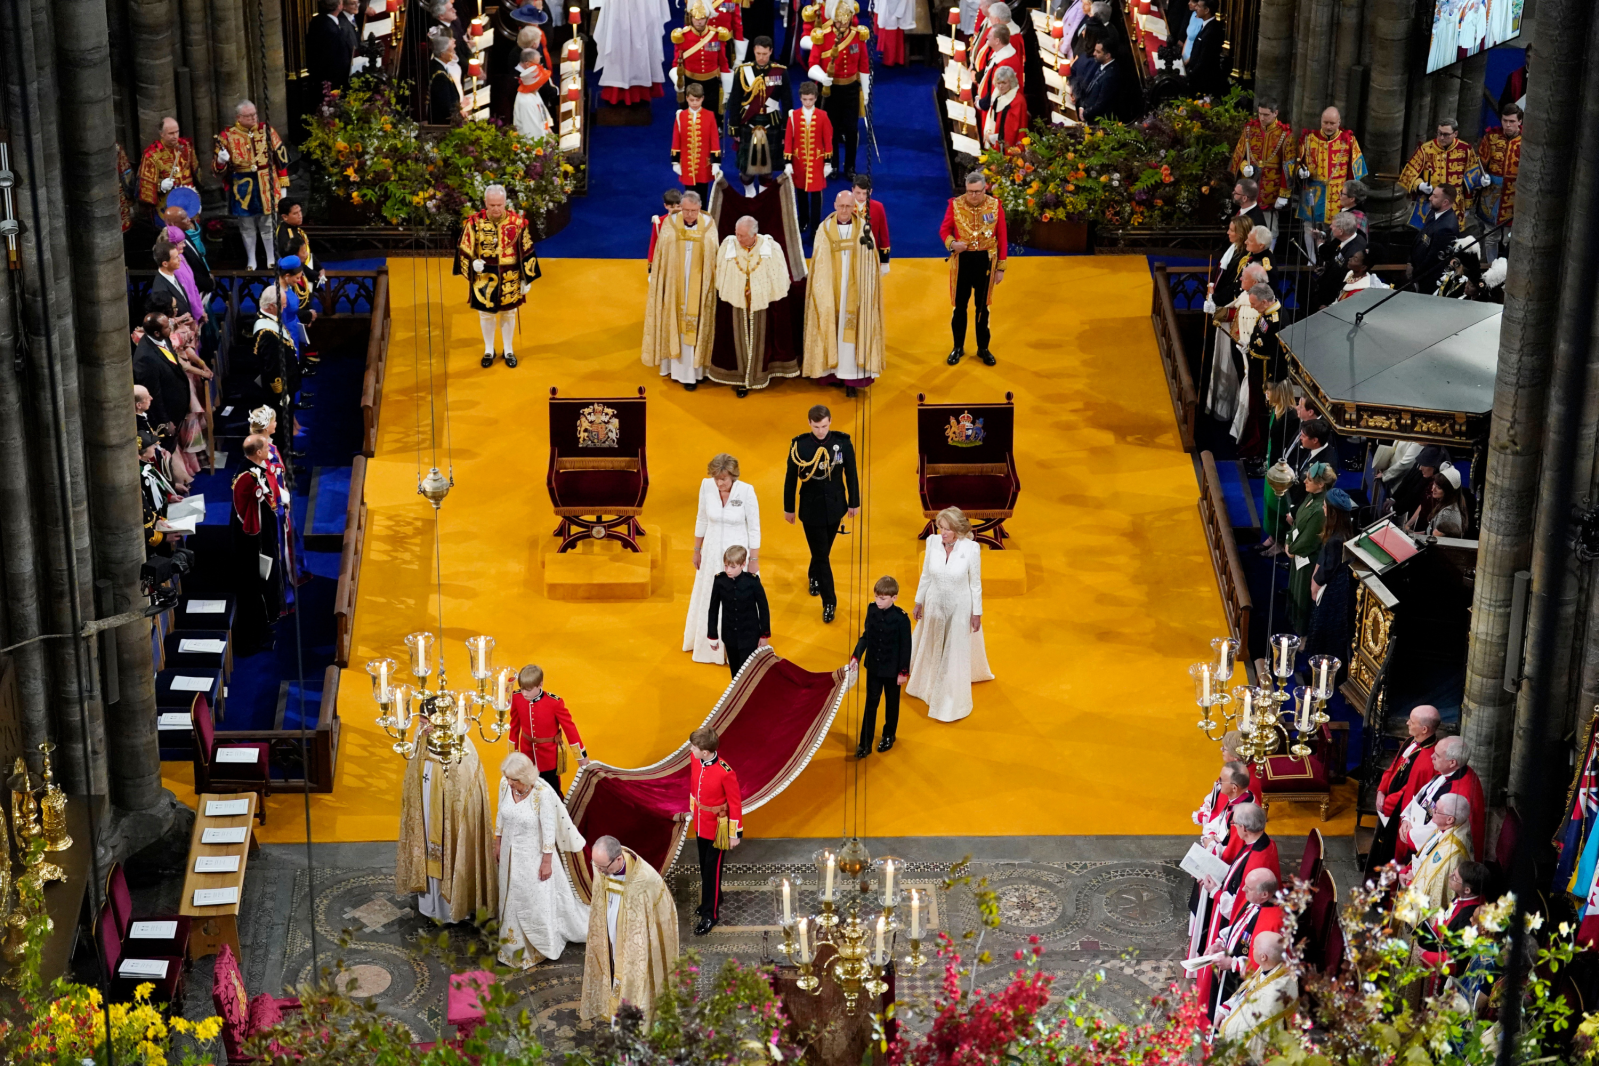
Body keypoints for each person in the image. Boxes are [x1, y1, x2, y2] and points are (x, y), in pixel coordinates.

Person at [494, 752, 588, 967]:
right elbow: (501, 814)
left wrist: (546, 861)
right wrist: (497, 842)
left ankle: (537, 946)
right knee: (511, 896)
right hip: (510, 853)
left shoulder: (542, 794)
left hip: (533, 856)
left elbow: (548, 830)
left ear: (526, 777)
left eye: (514, 779)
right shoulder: (504, 785)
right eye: (507, 777)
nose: (509, 783)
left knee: (531, 900)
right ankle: (512, 946)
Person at [396, 725, 497, 923]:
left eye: (426, 720)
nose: (423, 725)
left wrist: (451, 808)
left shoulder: (459, 741)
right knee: (427, 844)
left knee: (448, 848)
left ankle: (454, 906)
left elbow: (466, 781)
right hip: (426, 804)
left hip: (448, 811)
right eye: (422, 719)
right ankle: (429, 904)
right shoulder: (420, 734)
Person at [906, 506, 992, 724]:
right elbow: (925, 575)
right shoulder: (932, 543)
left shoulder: (971, 549)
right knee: (934, 645)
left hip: (960, 607)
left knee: (953, 649)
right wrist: (918, 601)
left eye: (947, 529)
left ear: (958, 530)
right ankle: (928, 685)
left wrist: (977, 613)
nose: (942, 533)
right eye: (940, 527)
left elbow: (975, 584)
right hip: (934, 604)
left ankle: (949, 695)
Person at [580, 835, 679, 1024]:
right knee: (611, 962)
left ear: (618, 859)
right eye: (597, 866)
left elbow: (664, 910)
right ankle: (611, 1005)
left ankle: (632, 1017)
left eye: (604, 868)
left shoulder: (644, 878)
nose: (600, 872)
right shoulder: (602, 866)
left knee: (631, 971)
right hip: (609, 925)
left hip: (635, 935)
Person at [802, 189, 885, 392]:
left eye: (849, 206)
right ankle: (831, 373)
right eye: (841, 206)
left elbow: (871, 258)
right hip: (831, 288)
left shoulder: (863, 228)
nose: (845, 210)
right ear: (835, 206)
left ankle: (851, 378)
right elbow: (819, 262)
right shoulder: (824, 229)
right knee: (830, 323)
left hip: (854, 291)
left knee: (851, 331)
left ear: (854, 206)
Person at [783, 404, 860, 623]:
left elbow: (851, 474)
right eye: (816, 427)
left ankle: (813, 574)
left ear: (830, 421)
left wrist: (854, 502)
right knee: (823, 557)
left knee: (822, 550)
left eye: (824, 426)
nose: (820, 431)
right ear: (809, 424)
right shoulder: (799, 446)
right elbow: (790, 478)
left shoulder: (842, 443)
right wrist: (789, 507)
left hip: (835, 506)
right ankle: (829, 602)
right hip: (811, 507)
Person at [456, 184, 542, 368]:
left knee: (509, 313)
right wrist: (472, 264)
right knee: (486, 315)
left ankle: (508, 349)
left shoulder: (517, 223)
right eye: (492, 205)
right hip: (484, 277)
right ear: (485, 203)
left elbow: (526, 249)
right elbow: (464, 248)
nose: (496, 209)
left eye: (499, 204)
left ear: (505, 203)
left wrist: (526, 279)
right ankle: (489, 349)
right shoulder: (474, 223)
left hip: (510, 275)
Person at [687, 453, 762, 662]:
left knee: (739, 597)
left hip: (737, 554)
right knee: (711, 597)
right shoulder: (706, 486)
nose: (719, 483)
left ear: (733, 476)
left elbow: (754, 528)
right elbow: (701, 518)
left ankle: (740, 647)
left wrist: (753, 560)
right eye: (716, 478)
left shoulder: (746, 491)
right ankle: (707, 643)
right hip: (711, 553)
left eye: (724, 479)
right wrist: (696, 549)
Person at [643, 189, 719, 390]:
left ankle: (698, 371)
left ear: (700, 208)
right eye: (685, 210)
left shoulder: (709, 226)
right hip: (675, 287)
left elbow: (713, 256)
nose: (689, 215)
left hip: (699, 288)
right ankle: (676, 370)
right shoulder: (670, 224)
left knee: (697, 326)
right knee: (675, 323)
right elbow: (662, 255)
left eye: (693, 211)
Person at [710, 216, 795, 396]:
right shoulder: (728, 245)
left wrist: (756, 291)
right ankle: (740, 378)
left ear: (754, 234)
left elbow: (780, 279)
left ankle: (760, 375)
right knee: (737, 342)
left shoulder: (771, 248)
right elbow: (721, 274)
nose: (738, 238)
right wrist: (739, 290)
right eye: (736, 233)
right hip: (736, 305)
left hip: (762, 307)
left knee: (761, 340)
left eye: (742, 235)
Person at [940, 170, 1007, 367]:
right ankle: (958, 347)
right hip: (962, 262)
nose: (973, 196)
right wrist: (953, 244)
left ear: (985, 188)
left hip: (986, 262)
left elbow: (1002, 237)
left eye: (977, 191)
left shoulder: (995, 206)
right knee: (959, 307)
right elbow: (944, 230)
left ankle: (983, 348)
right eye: (970, 191)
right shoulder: (955, 204)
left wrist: (1001, 268)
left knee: (983, 307)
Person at [213, 100, 290, 271]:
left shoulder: (267, 131)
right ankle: (251, 260)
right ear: (238, 117)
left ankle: (271, 258)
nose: (254, 118)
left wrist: (283, 184)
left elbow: (281, 158)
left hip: (266, 182)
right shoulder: (227, 136)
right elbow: (217, 170)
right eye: (249, 116)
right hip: (242, 185)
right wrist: (220, 160)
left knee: (268, 223)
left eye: (255, 114)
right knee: (246, 225)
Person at [1365, 704, 1441, 875]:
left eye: (1411, 721)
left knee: (1389, 855)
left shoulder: (1429, 760)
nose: (1407, 723)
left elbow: (1411, 792)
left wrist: (1387, 805)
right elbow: (1394, 767)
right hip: (1387, 804)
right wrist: (1381, 791)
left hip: (1398, 813)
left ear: (1424, 729)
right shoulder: (1411, 741)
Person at [1199, 868, 1283, 1022]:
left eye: (1248, 888)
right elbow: (1238, 927)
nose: (1243, 889)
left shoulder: (1272, 923)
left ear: (1264, 894)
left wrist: (1232, 963)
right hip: (1229, 967)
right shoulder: (1254, 901)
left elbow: (1264, 966)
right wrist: (1221, 942)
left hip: (1242, 984)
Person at [681, 727, 742, 934]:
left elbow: (735, 803)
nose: (691, 749)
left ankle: (711, 914)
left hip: (719, 828)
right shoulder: (695, 760)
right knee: (703, 867)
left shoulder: (726, 772)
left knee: (711, 872)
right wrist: (693, 810)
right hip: (701, 822)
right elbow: (693, 785)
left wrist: (735, 833)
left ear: (705, 752)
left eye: (694, 747)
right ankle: (715, 897)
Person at [231, 434, 290, 652]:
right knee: (256, 589)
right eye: (266, 448)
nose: (270, 451)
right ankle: (254, 638)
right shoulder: (248, 477)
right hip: (252, 545)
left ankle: (264, 627)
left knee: (263, 585)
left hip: (259, 539)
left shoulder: (249, 469)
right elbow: (251, 514)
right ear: (258, 453)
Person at [1395, 735, 1486, 864]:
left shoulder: (1460, 794)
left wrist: (1409, 834)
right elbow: (1424, 796)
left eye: (1437, 755)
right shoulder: (1452, 771)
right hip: (1417, 828)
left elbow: (1442, 827)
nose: (1431, 757)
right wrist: (1406, 819)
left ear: (1452, 762)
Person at [806, 0, 870, 180]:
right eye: (838, 21)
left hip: (850, 89)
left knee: (851, 130)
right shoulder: (822, 36)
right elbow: (812, 65)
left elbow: (864, 66)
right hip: (830, 90)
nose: (841, 25)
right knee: (831, 130)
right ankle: (832, 164)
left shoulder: (858, 36)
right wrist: (822, 77)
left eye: (845, 21)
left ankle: (850, 166)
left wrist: (866, 92)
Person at [1295, 107, 1367, 265]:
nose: (1328, 126)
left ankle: (1330, 259)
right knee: (1309, 225)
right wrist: (1301, 171)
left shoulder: (1348, 140)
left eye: (1332, 123)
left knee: (1335, 227)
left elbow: (1358, 170)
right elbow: (1298, 163)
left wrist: (1352, 194)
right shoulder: (1309, 139)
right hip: (1313, 189)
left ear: (1339, 122)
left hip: (1338, 192)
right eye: (1325, 122)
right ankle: (1311, 258)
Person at [850, 575, 912, 758]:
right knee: (870, 704)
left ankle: (888, 735)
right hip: (875, 668)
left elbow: (905, 647)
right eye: (876, 597)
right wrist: (856, 656)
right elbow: (866, 636)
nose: (878, 601)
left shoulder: (902, 619)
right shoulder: (872, 610)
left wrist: (903, 672)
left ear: (894, 598)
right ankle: (865, 743)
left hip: (893, 671)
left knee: (892, 705)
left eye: (882, 598)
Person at [508, 664, 589, 795]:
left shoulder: (554, 703)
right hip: (526, 753)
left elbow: (570, 728)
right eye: (522, 689)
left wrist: (581, 756)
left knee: (552, 790)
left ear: (540, 684)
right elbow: (514, 727)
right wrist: (513, 753)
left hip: (548, 757)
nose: (524, 693)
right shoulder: (517, 698)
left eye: (528, 689)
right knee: (528, 788)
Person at [1214, 931, 1296, 1055]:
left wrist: (1225, 1025)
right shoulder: (1274, 965)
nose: (1252, 949)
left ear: (1263, 957)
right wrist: (1227, 1007)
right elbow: (1250, 987)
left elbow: (1244, 1030)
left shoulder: (1273, 994)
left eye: (1254, 947)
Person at [727, 36, 789, 195]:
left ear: (771, 52)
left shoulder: (780, 71)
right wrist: (734, 127)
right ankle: (748, 190)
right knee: (746, 165)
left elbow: (788, 103)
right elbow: (734, 100)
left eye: (765, 54)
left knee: (768, 165)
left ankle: (763, 193)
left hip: (772, 121)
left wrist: (785, 130)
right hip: (748, 121)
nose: (761, 58)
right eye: (758, 53)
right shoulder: (742, 71)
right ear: (754, 51)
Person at [1305, 487, 1356, 681]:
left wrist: (1314, 584)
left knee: (1327, 631)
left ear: (1333, 512)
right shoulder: (1342, 531)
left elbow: (1326, 570)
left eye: (1326, 507)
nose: (1323, 509)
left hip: (1333, 593)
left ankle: (1323, 674)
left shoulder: (1336, 540)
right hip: (1336, 588)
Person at [1397, 120, 1485, 229]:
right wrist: (1420, 185)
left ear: (1455, 134)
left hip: (1455, 203)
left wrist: (1481, 179)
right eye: (1439, 133)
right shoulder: (1426, 149)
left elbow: (1473, 173)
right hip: (1430, 200)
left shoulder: (1465, 149)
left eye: (1446, 134)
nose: (1442, 137)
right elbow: (1408, 173)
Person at [1285, 462, 1336, 633]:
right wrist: (1288, 541)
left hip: (1308, 559)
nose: (1305, 481)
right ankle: (1292, 621)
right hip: (1296, 552)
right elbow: (1297, 523)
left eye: (1309, 479)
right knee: (1293, 590)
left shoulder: (1320, 509)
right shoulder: (1310, 496)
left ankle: (1303, 634)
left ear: (1321, 484)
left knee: (1302, 596)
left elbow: (1309, 540)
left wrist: (1291, 549)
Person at [707, 545, 772, 677]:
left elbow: (763, 608)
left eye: (732, 567)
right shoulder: (720, 581)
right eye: (725, 566)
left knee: (747, 673)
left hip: (750, 635)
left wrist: (764, 635)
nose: (728, 570)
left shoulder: (752, 582)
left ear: (743, 565)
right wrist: (712, 635)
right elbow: (713, 609)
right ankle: (736, 697)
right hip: (730, 635)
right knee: (735, 672)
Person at [593, 0, 672, 108]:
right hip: (620, 8)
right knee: (619, 42)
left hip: (644, 7)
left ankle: (639, 91)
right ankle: (618, 91)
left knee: (643, 41)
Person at [1405, 792, 1473, 910]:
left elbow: (1436, 890)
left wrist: (1413, 881)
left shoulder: (1452, 852)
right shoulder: (1448, 828)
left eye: (1436, 810)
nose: (1432, 812)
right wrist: (1409, 869)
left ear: (1449, 819)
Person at [1231, 100, 1293, 226]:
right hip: (1249, 187)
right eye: (1260, 114)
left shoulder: (1284, 134)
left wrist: (1284, 194)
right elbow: (1238, 155)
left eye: (1266, 115)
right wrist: (1244, 167)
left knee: (1269, 229)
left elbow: (1288, 167)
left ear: (1275, 113)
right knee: (1244, 226)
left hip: (1271, 190)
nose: (1262, 118)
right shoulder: (1250, 129)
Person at [132, 313, 189, 449]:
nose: (170, 327)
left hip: (177, 409)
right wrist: (165, 422)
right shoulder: (145, 359)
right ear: (156, 333)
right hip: (167, 417)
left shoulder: (163, 338)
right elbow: (154, 395)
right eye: (166, 327)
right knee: (167, 451)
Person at [784, 81, 833, 237]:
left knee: (816, 197)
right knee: (801, 194)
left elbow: (828, 139)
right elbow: (788, 139)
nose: (808, 103)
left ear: (816, 98)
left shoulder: (823, 116)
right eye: (805, 99)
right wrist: (788, 162)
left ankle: (815, 226)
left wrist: (828, 162)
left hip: (817, 163)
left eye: (811, 100)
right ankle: (803, 220)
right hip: (799, 162)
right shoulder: (793, 116)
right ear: (800, 98)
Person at [1257, 380, 1300, 554]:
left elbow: (1289, 448)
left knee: (1278, 506)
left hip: (1280, 469)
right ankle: (1273, 536)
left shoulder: (1291, 417)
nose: (1266, 393)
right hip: (1271, 463)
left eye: (1269, 390)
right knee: (1268, 502)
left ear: (1279, 392)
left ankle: (1281, 542)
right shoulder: (1276, 409)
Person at [1476, 105, 1521, 262]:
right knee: (1490, 235)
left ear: (1519, 122)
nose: (1507, 125)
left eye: (1511, 121)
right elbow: (1479, 164)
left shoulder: (1526, 141)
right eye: (1504, 120)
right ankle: (1490, 267)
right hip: (1491, 193)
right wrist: (1481, 178)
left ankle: (1507, 271)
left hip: (1514, 195)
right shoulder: (1491, 138)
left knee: (1510, 236)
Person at [671, 2, 734, 115]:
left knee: (712, 113)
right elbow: (676, 62)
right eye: (696, 18)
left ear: (707, 18)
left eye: (702, 18)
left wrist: (727, 90)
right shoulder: (682, 36)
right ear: (691, 18)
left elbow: (723, 62)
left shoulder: (716, 35)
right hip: (691, 82)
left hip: (712, 83)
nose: (699, 22)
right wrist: (678, 82)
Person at [137, 117, 201, 218]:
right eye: (171, 133)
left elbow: (197, 173)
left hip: (190, 203)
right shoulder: (152, 155)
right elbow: (145, 186)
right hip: (167, 205)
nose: (175, 136)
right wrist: (160, 185)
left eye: (177, 132)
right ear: (161, 134)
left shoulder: (186, 147)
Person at [671, 82, 722, 204]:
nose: (694, 103)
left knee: (703, 194)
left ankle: (702, 216)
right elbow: (676, 139)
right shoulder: (680, 116)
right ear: (687, 98)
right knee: (689, 194)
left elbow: (714, 139)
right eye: (691, 100)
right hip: (687, 163)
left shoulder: (709, 116)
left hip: (703, 164)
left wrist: (716, 163)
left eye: (697, 100)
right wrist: (675, 162)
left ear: (702, 99)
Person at [1310, 212, 1366, 310]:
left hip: (1330, 303)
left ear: (1341, 231)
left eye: (1333, 225)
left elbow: (1344, 282)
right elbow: (1331, 256)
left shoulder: (1354, 253)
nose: (1330, 227)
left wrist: (1331, 306)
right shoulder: (1344, 238)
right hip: (1324, 292)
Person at [307, 0, 358, 98]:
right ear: (339, 6)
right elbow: (339, 61)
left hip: (318, 78)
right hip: (333, 83)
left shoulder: (317, 20)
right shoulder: (333, 31)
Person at [1405, 467, 1468, 538]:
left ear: (1448, 491)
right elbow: (1429, 533)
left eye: (1439, 488)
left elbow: (1436, 540)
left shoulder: (1447, 513)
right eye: (1434, 484)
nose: (1433, 489)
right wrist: (1412, 535)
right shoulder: (1444, 505)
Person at [511, 47, 556, 142]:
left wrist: (548, 129)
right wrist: (547, 140)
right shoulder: (526, 102)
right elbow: (533, 132)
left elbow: (542, 112)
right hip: (533, 147)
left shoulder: (534, 93)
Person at [981, 67, 1028, 151]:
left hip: (1008, 148)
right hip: (994, 137)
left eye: (1004, 83)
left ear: (1011, 82)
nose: (1000, 86)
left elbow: (1010, 133)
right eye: (998, 83)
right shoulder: (997, 94)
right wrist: (988, 131)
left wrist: (992, 138)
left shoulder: (1017, 102)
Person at [1185, 0, 1226, 96]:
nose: (1196, 8)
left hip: (1202, 82)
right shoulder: (1206, 26)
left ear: (1206, 10)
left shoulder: (1212, 31)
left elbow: (1204, 59)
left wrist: (1190, 75)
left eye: (1198, 6)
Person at [851, 175, 890, 266]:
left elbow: (884, 234)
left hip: (871, 255)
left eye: (865, 193)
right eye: (858, 193)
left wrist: (884, 261)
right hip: (850, 255)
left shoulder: (878, 207)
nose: (861, 197)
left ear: (871, 192)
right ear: (852, 190)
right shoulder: (845, 206)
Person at [151, 240, 194, 322]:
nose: (180, 259)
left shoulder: (173, 276)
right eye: (175, 258)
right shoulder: (160, 291)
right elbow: (166, 322)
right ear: (165, 264)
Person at [428, 32, 466, 123]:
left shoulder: (438, 65)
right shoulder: (440, 77)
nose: (454, 53)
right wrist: (459, 114)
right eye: (451, 51)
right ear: (442, 54)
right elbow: (446, 108)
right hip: (443, 124)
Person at [648, 188, 683, 266]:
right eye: (672, 207)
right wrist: (651, 260)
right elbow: (654, 241)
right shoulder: (659, 222)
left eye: (678, 206)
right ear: (666, 206)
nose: (675, 210)